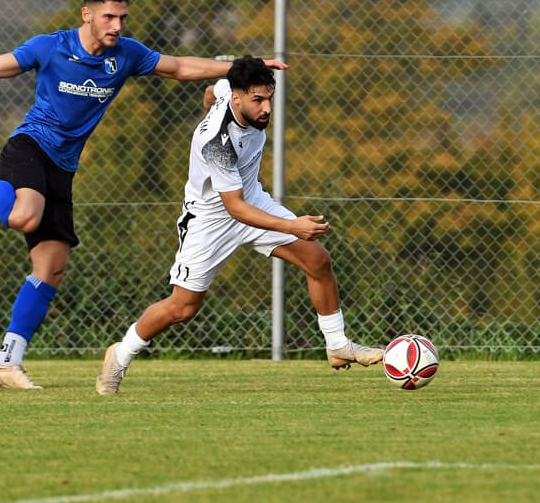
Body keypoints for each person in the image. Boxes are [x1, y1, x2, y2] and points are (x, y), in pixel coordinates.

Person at [0, 0, 288, 389]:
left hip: (63, 167)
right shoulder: (51, 46)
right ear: (87, 14)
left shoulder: (127, 55)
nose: (117, 25)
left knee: (50, 269)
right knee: (24, 216)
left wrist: (246, 70)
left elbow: (179, 67)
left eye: (122, 17)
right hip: (31, 146)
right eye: (109, 17)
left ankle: (6, 362)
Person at [95, 56, 383, 395]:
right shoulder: (217, 142)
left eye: (269, 98)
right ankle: (120, 354)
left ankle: (337, 345)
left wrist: (250, 67)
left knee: (317, 259)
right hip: (211, 219)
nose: (267, 109)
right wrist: (293, 227)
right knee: (183, 307)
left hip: (251, 200)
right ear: (237, 98)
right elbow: (234, 209)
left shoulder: (227, 92)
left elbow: (209, 91)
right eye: (258, 100)